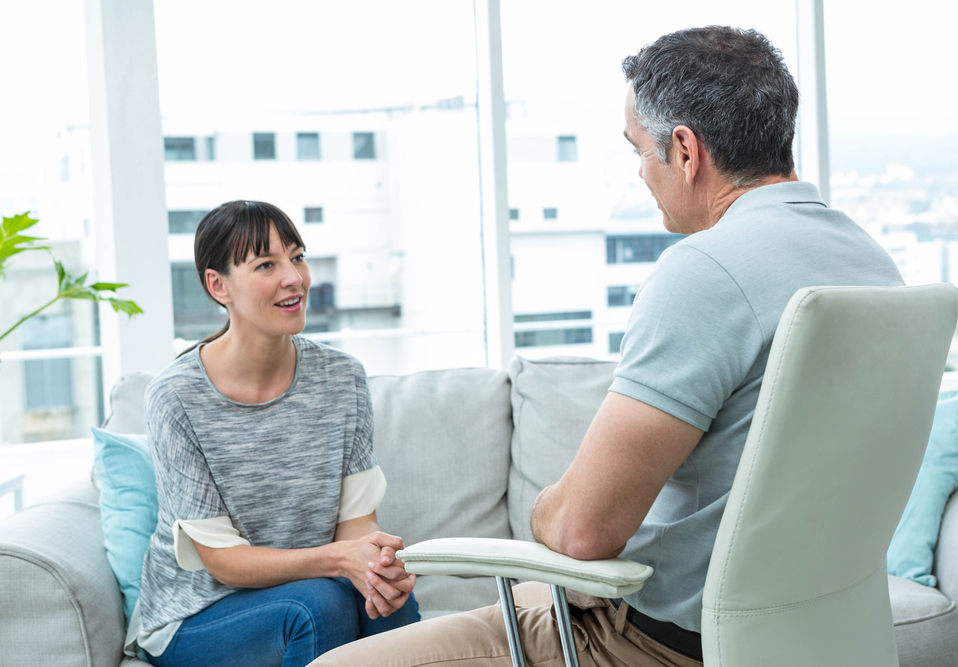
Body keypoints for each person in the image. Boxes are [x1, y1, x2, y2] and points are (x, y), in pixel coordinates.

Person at [309, 26, 904, 667]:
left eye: (639, 151)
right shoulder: (873, 264)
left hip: (657, 643)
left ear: (685, 150)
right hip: (817, 636)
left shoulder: (705, 272)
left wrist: (543, 512)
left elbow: (580, 531)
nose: (640, 174)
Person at [129, 200, 420, 667]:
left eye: (297, 257)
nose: (295, 278)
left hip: (313, 590)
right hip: (198, 614)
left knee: (388, 604)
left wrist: (372, 565)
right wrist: (340, 560)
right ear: (217, 285)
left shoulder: (342, 377)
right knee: (318, 606)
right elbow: (223, 560)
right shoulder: (176, 397)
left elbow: (356, 520)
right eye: (267, 264)